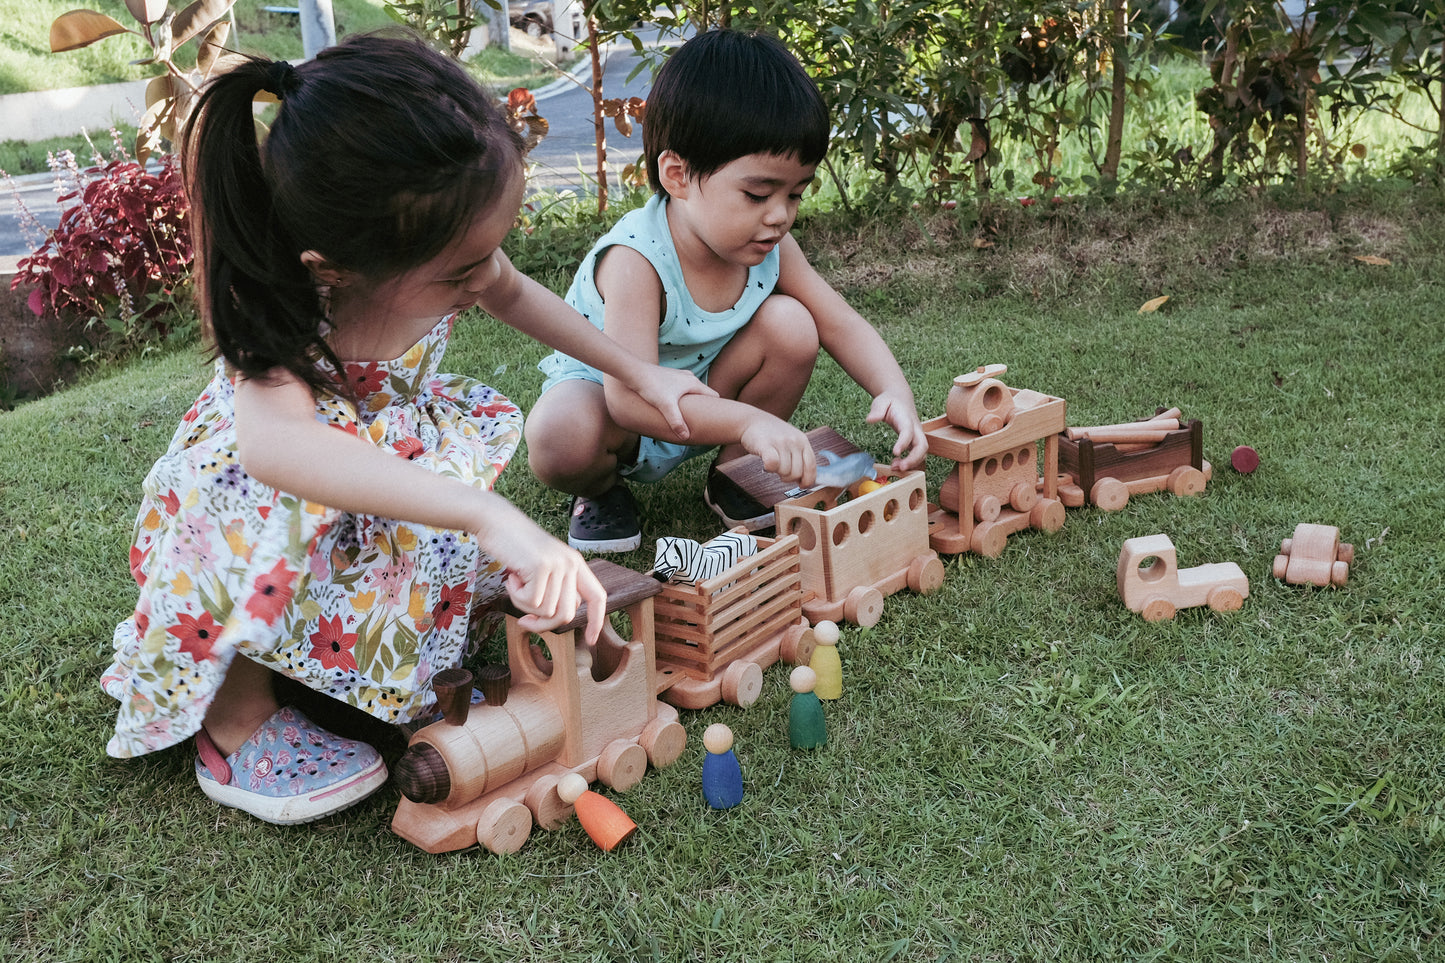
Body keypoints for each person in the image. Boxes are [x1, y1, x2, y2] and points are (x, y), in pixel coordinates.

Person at [100, 31, 713, 825]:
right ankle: (235, 715)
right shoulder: (278, 304)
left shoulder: (444, 250)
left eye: (487, 253)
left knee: (425, 492)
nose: (482, 277)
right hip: (269, 489)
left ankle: (358, 644)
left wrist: (636, 370)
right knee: (251, 496)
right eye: (459, 272)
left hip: (374, 452)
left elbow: (513, 291)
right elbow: (278, 448)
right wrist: (493, 516)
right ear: (335, 270)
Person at [525, 28, 928, 553]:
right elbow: (629, 400)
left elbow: (840, 322)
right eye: (758, 193)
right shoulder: (636, 261)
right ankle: (602, 492)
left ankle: (734, 474)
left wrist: (893, 390)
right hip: (615, 410)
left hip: (708, 399)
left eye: (796, 193)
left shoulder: (773, 247)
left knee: (793, 324)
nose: (780, 215)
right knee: (559, 434)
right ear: (678, 175)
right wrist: (752, 420)